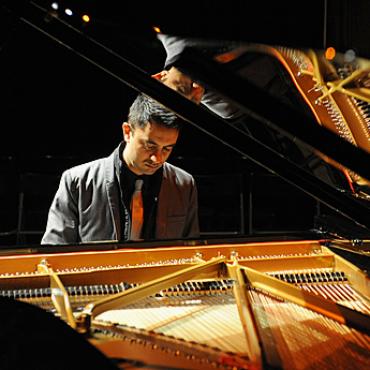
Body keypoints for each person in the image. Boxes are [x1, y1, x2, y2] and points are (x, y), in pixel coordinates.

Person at [41, 93, 199, 245]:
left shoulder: (184, 184)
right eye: (150, 146)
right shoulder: (77, 181)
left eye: (167, 149)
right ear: (127, 132)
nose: (157, 158)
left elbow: (192, 252)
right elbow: (54, 252)